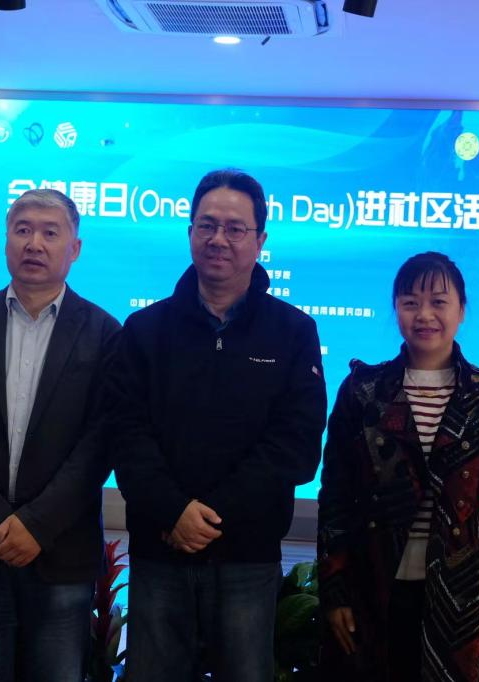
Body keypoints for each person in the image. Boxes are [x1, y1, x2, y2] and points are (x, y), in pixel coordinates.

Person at [108, 168, 328, 681]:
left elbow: (296, 447)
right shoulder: (144, 330)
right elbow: (125, 436)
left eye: (235, 228)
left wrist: (209, 516)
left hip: (247, 558)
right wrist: (174, 512)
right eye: (206, 225)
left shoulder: (293, 331)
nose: (218, 239)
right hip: (160, 551)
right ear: (190, 232)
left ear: (260, 240)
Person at [0, 189, 120, 682]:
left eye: (50, 232)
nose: (35, 243)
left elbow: (101, 440)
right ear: (7, 241)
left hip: (62, 550)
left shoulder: (104, 333)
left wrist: (36, 524)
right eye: (23, 230)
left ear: (74, 248)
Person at [317, 251, 479, 682]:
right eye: (410, 302)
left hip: (462, 593)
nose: (424, 315)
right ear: (395, 309)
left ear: (461, 310)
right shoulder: (363, 391)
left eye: (438, 302)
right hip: (373, 582)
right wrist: (335, 592)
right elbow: (335, 495)